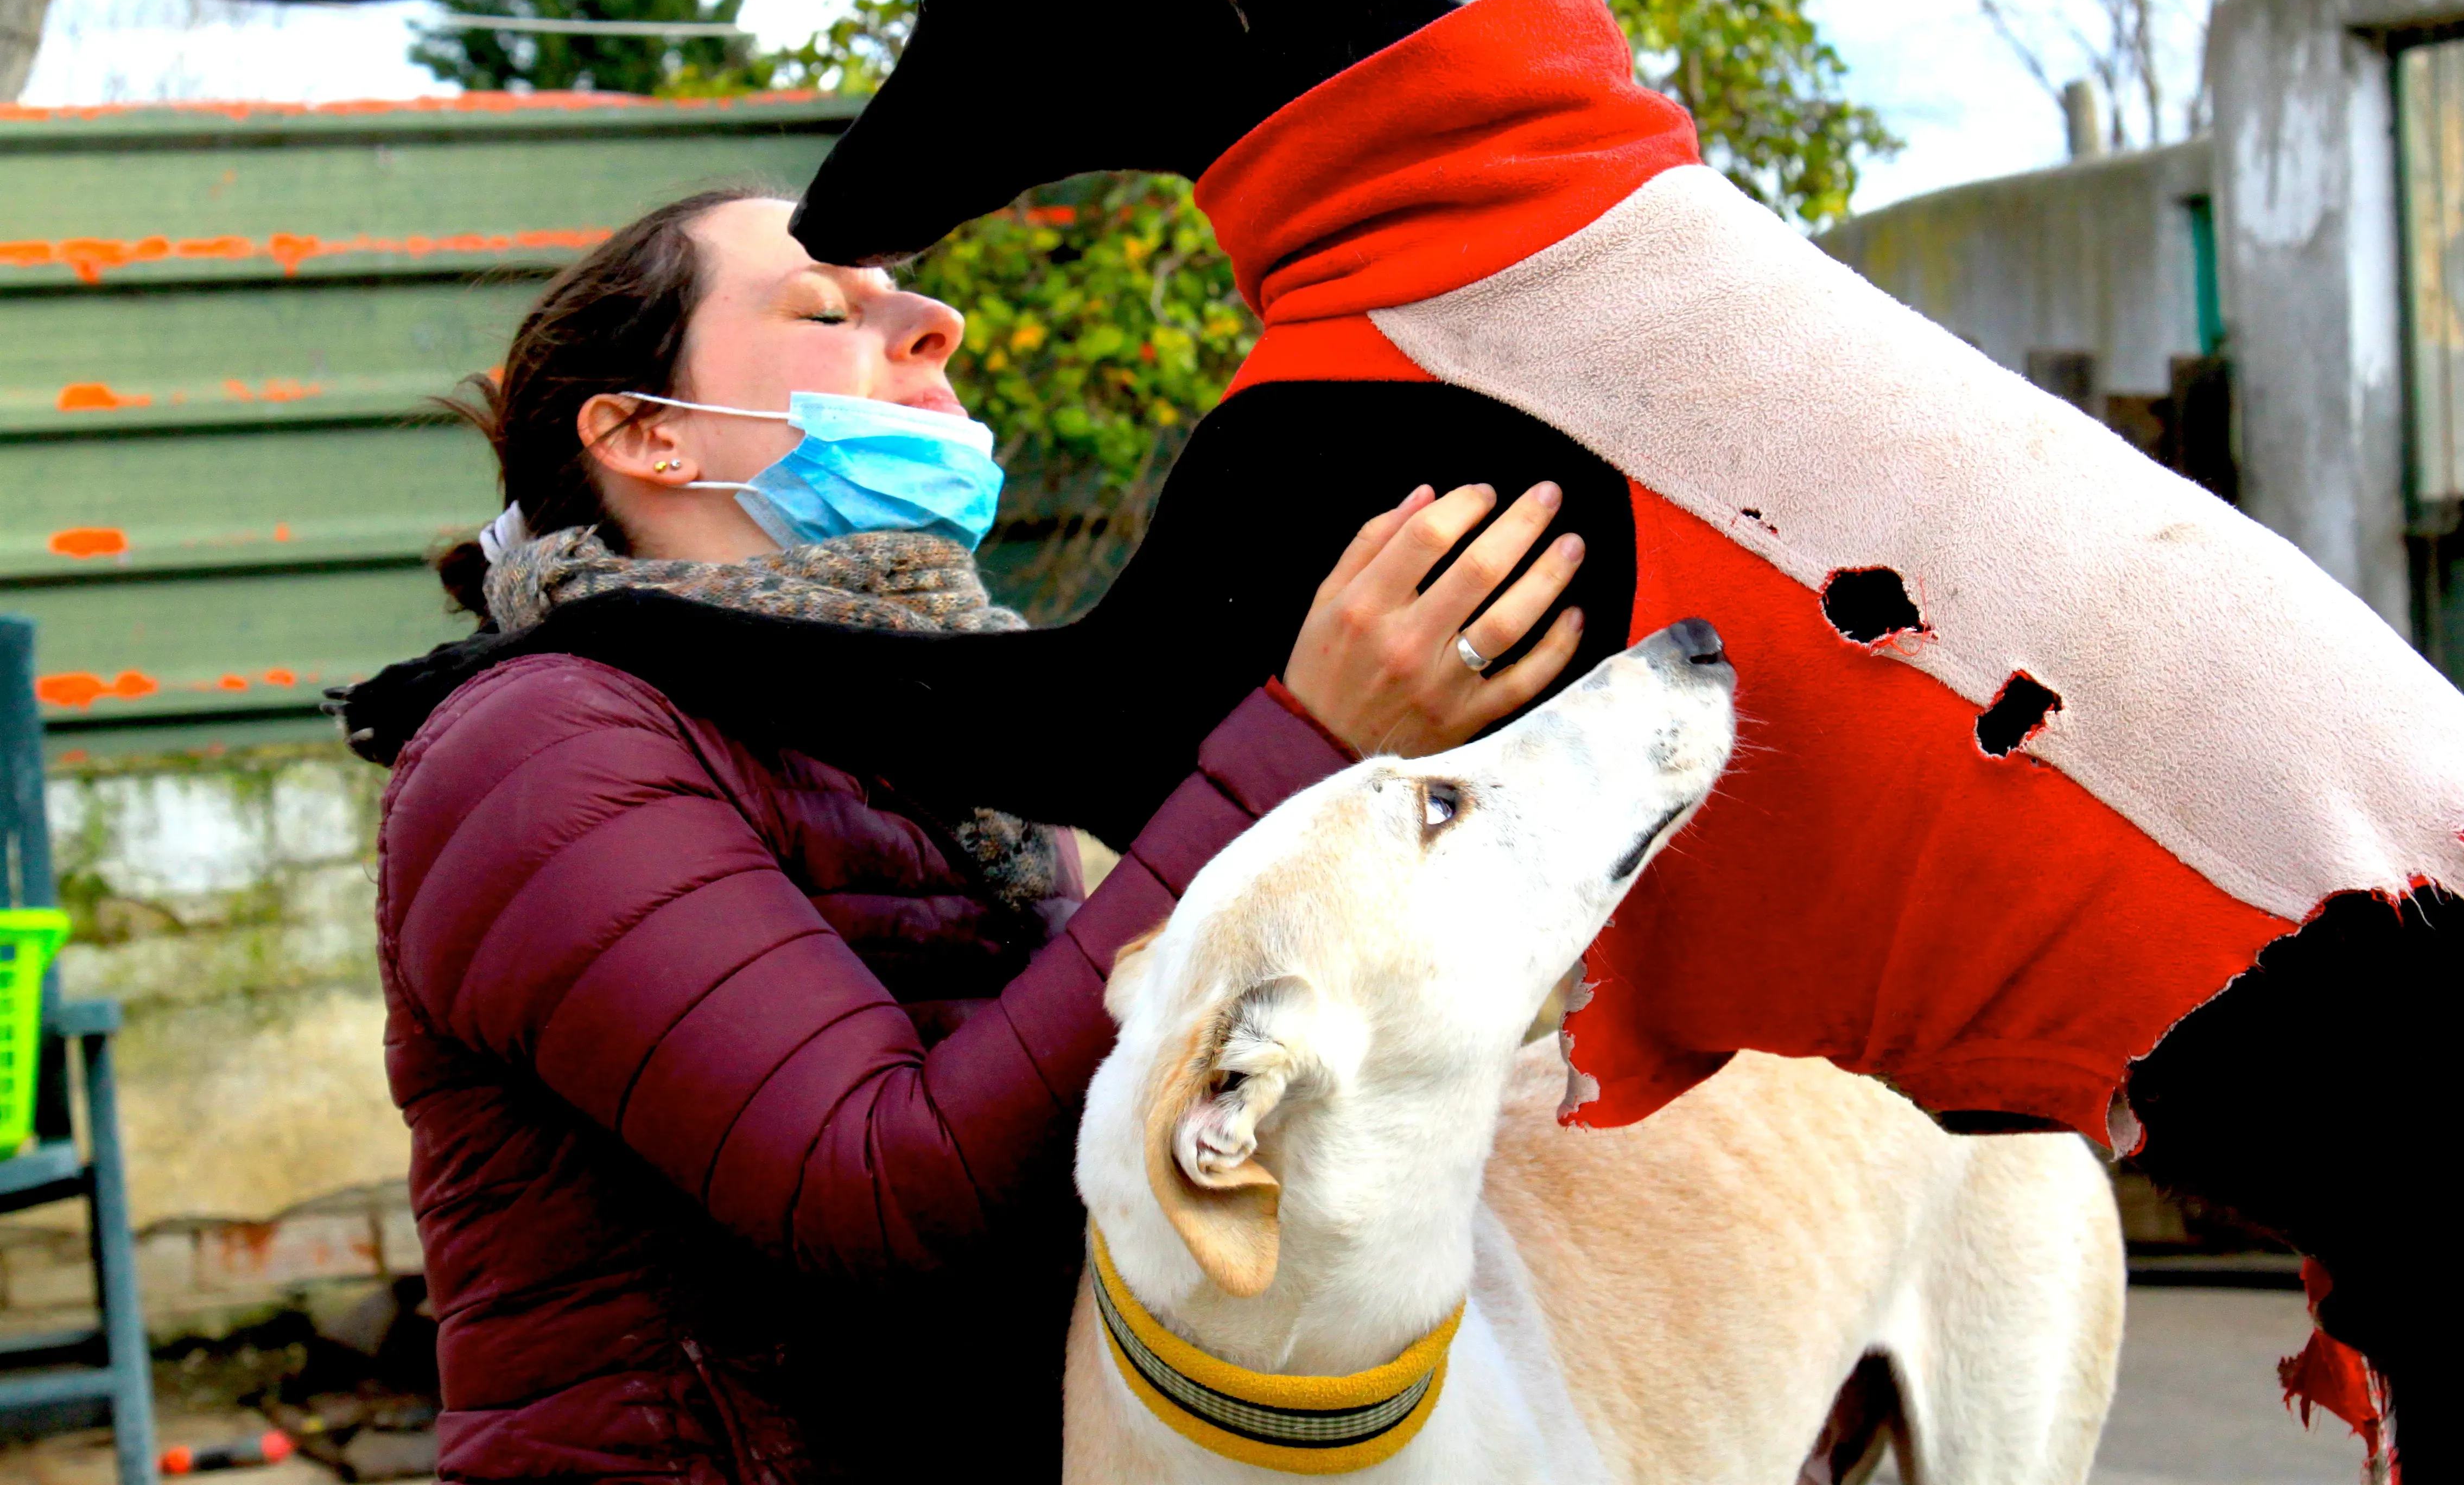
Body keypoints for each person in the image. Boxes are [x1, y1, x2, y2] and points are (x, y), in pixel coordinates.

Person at [370, 187, 1587, 1483]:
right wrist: (1304, 750)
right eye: (830, 308)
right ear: (646, 435)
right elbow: (887, 1188)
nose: (937, 322)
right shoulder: (546, 742)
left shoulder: (944, 735)